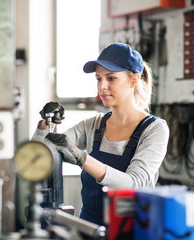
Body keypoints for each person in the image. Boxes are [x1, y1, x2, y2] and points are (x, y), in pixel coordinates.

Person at [32, 43, 169, 226]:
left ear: (133, 80)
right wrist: (45, 124)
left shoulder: (154, 129)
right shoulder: (93, 125)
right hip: (88, 229)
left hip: (132, 231)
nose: (102, 86)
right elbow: (37, 158)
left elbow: (134, 185)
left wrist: (82, 158)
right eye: (98, 78)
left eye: (111, 78)